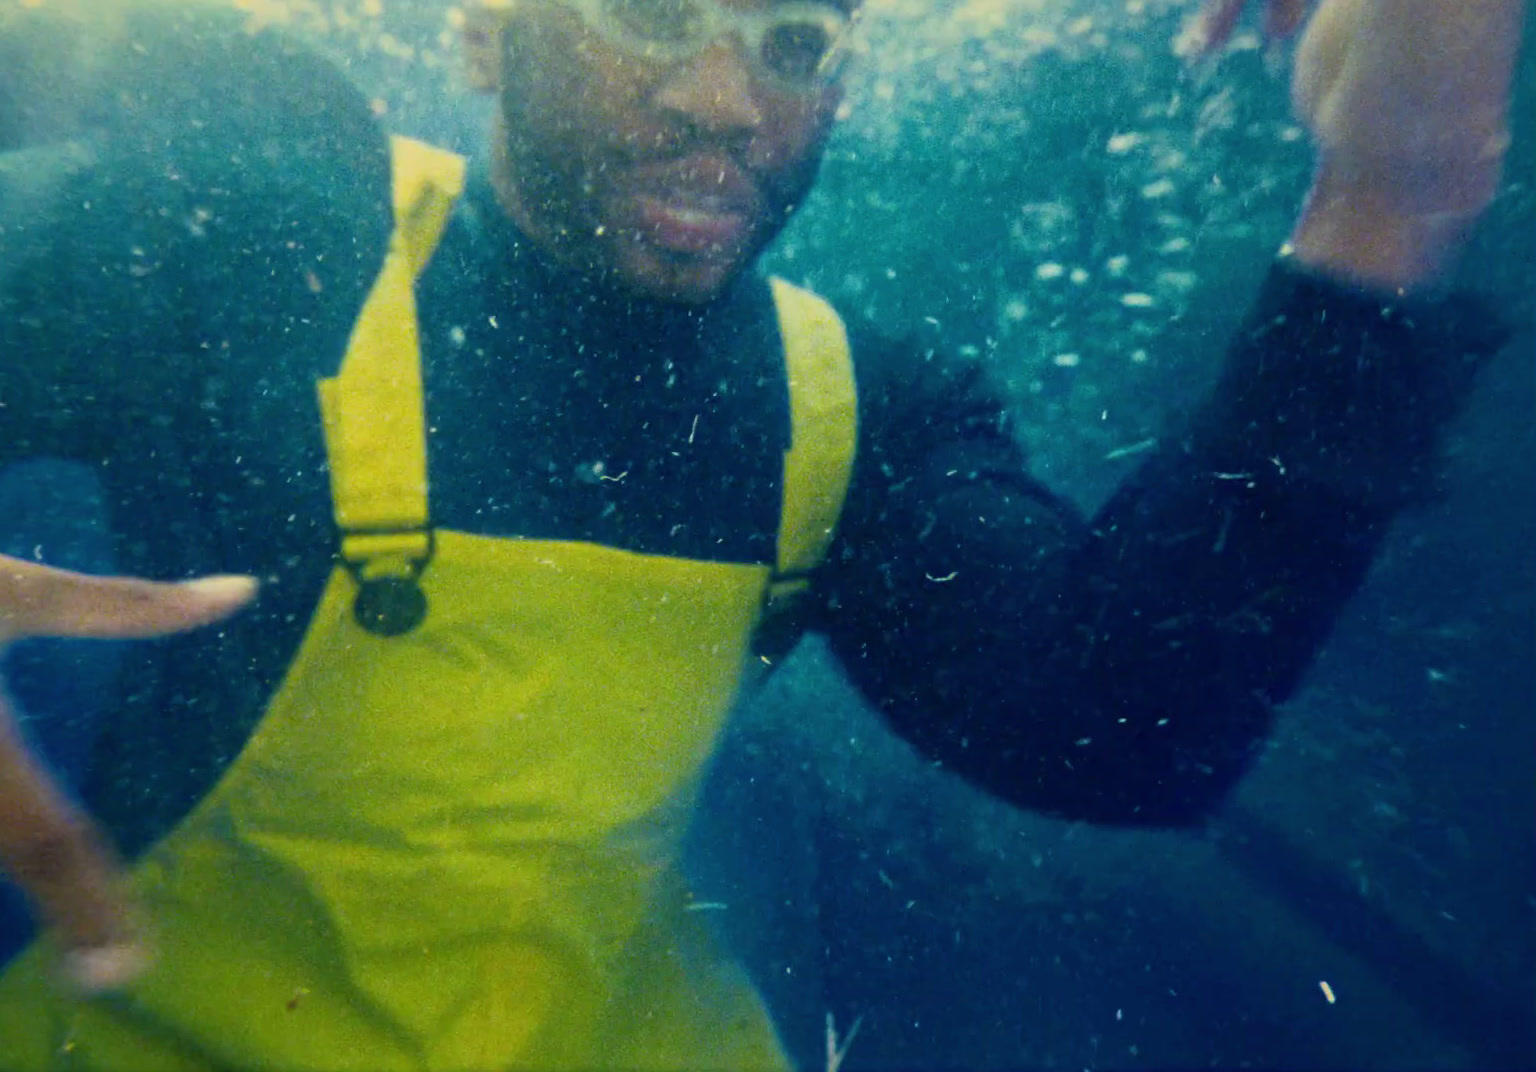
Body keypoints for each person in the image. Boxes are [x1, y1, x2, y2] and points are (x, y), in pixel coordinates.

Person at [0, 0, 1524, 1066]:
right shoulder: (264, 240)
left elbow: (1126, 732)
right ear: (483, 27)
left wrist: (1391, 193)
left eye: (795, 37)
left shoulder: (851, 405)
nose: (730, 98)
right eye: (657, 11)